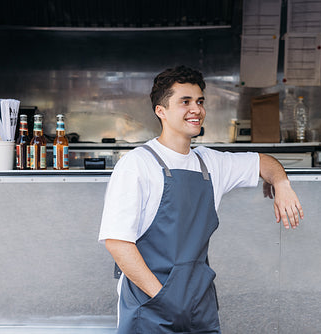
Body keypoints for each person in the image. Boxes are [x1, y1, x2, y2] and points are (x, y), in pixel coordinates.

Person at [98, 65, 304, 333]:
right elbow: (118, 243)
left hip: (200, 304)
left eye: (200, 101)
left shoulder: (210, 163)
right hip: (152, 306)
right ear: (161, 111)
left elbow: (265, 162)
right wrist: (163, 297)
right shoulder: (137, 165)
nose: (196, 109)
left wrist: (281, 182)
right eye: (185, 102)